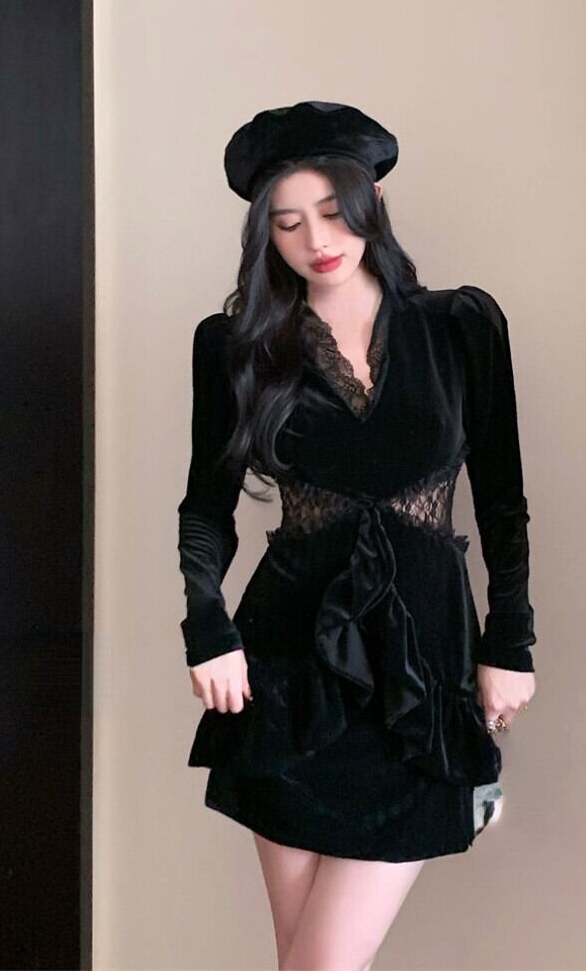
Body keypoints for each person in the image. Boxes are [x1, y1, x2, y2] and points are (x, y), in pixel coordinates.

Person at [177, 100, 537, 971]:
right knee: (305, 960)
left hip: (422, 666)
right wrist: (208, 628)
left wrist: (511, 643)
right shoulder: (237, 345)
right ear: (266, 235)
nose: (317, 240)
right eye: (288, 223)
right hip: (287, 670)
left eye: (334, 211)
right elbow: (205, 508)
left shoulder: (460, 328)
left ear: (373, 201)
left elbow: (502, 502)